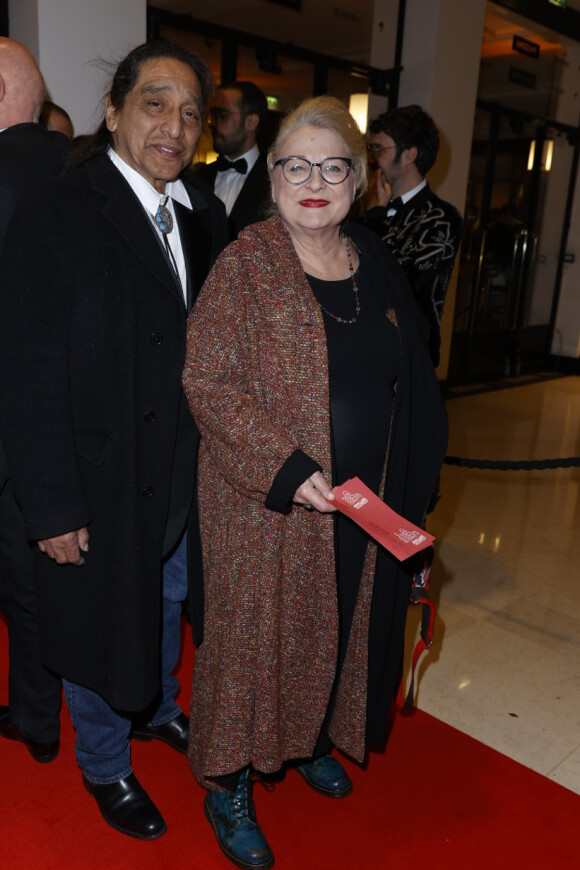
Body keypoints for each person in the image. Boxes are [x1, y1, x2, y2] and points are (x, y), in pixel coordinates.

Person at [182, 96, 448, 869]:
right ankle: (227, 781)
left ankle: (306, 742)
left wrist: (416, 490)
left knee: (337, 627)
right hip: (266, 503)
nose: (313, 180)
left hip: (365, 502)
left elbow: (414, 378)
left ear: (358, 180)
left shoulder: (374, 257)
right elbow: (209, 381)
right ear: (273, 177)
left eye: (332, 166)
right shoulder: (246, 261)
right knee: (252, 646)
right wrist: (289, 469)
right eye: (295, 165)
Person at [0, 40, 227, 840]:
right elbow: (24, 369)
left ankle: (158, 706)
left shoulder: (203, 215)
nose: (175, 124)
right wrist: (52, 505)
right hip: (95, 477)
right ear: (113, 112)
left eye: (192, 111)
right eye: (156, 103)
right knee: (98, 623)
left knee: (162, 603)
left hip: (177, 477)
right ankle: (105, 765)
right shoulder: (61, 209)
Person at [0, 37, 71, 765]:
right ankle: (43, 718)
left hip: (8, 422)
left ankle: (37, 718)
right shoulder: (81, 170)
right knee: (48, 579)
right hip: (74, 423)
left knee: (21, 582)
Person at [362, 104, 463, 366]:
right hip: (362, 345)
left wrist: (376, 219)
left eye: (379, 149)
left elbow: (401, 281)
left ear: (409, 155)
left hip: (410, 354)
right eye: (371, 149)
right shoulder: (363, 206)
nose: (372, 158)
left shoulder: (442, 218)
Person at [194, 80, 270, 239]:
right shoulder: (197, 179)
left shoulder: (275, 180)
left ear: (251, 122)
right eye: (213, 115)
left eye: (222, 115)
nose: (212, 124)